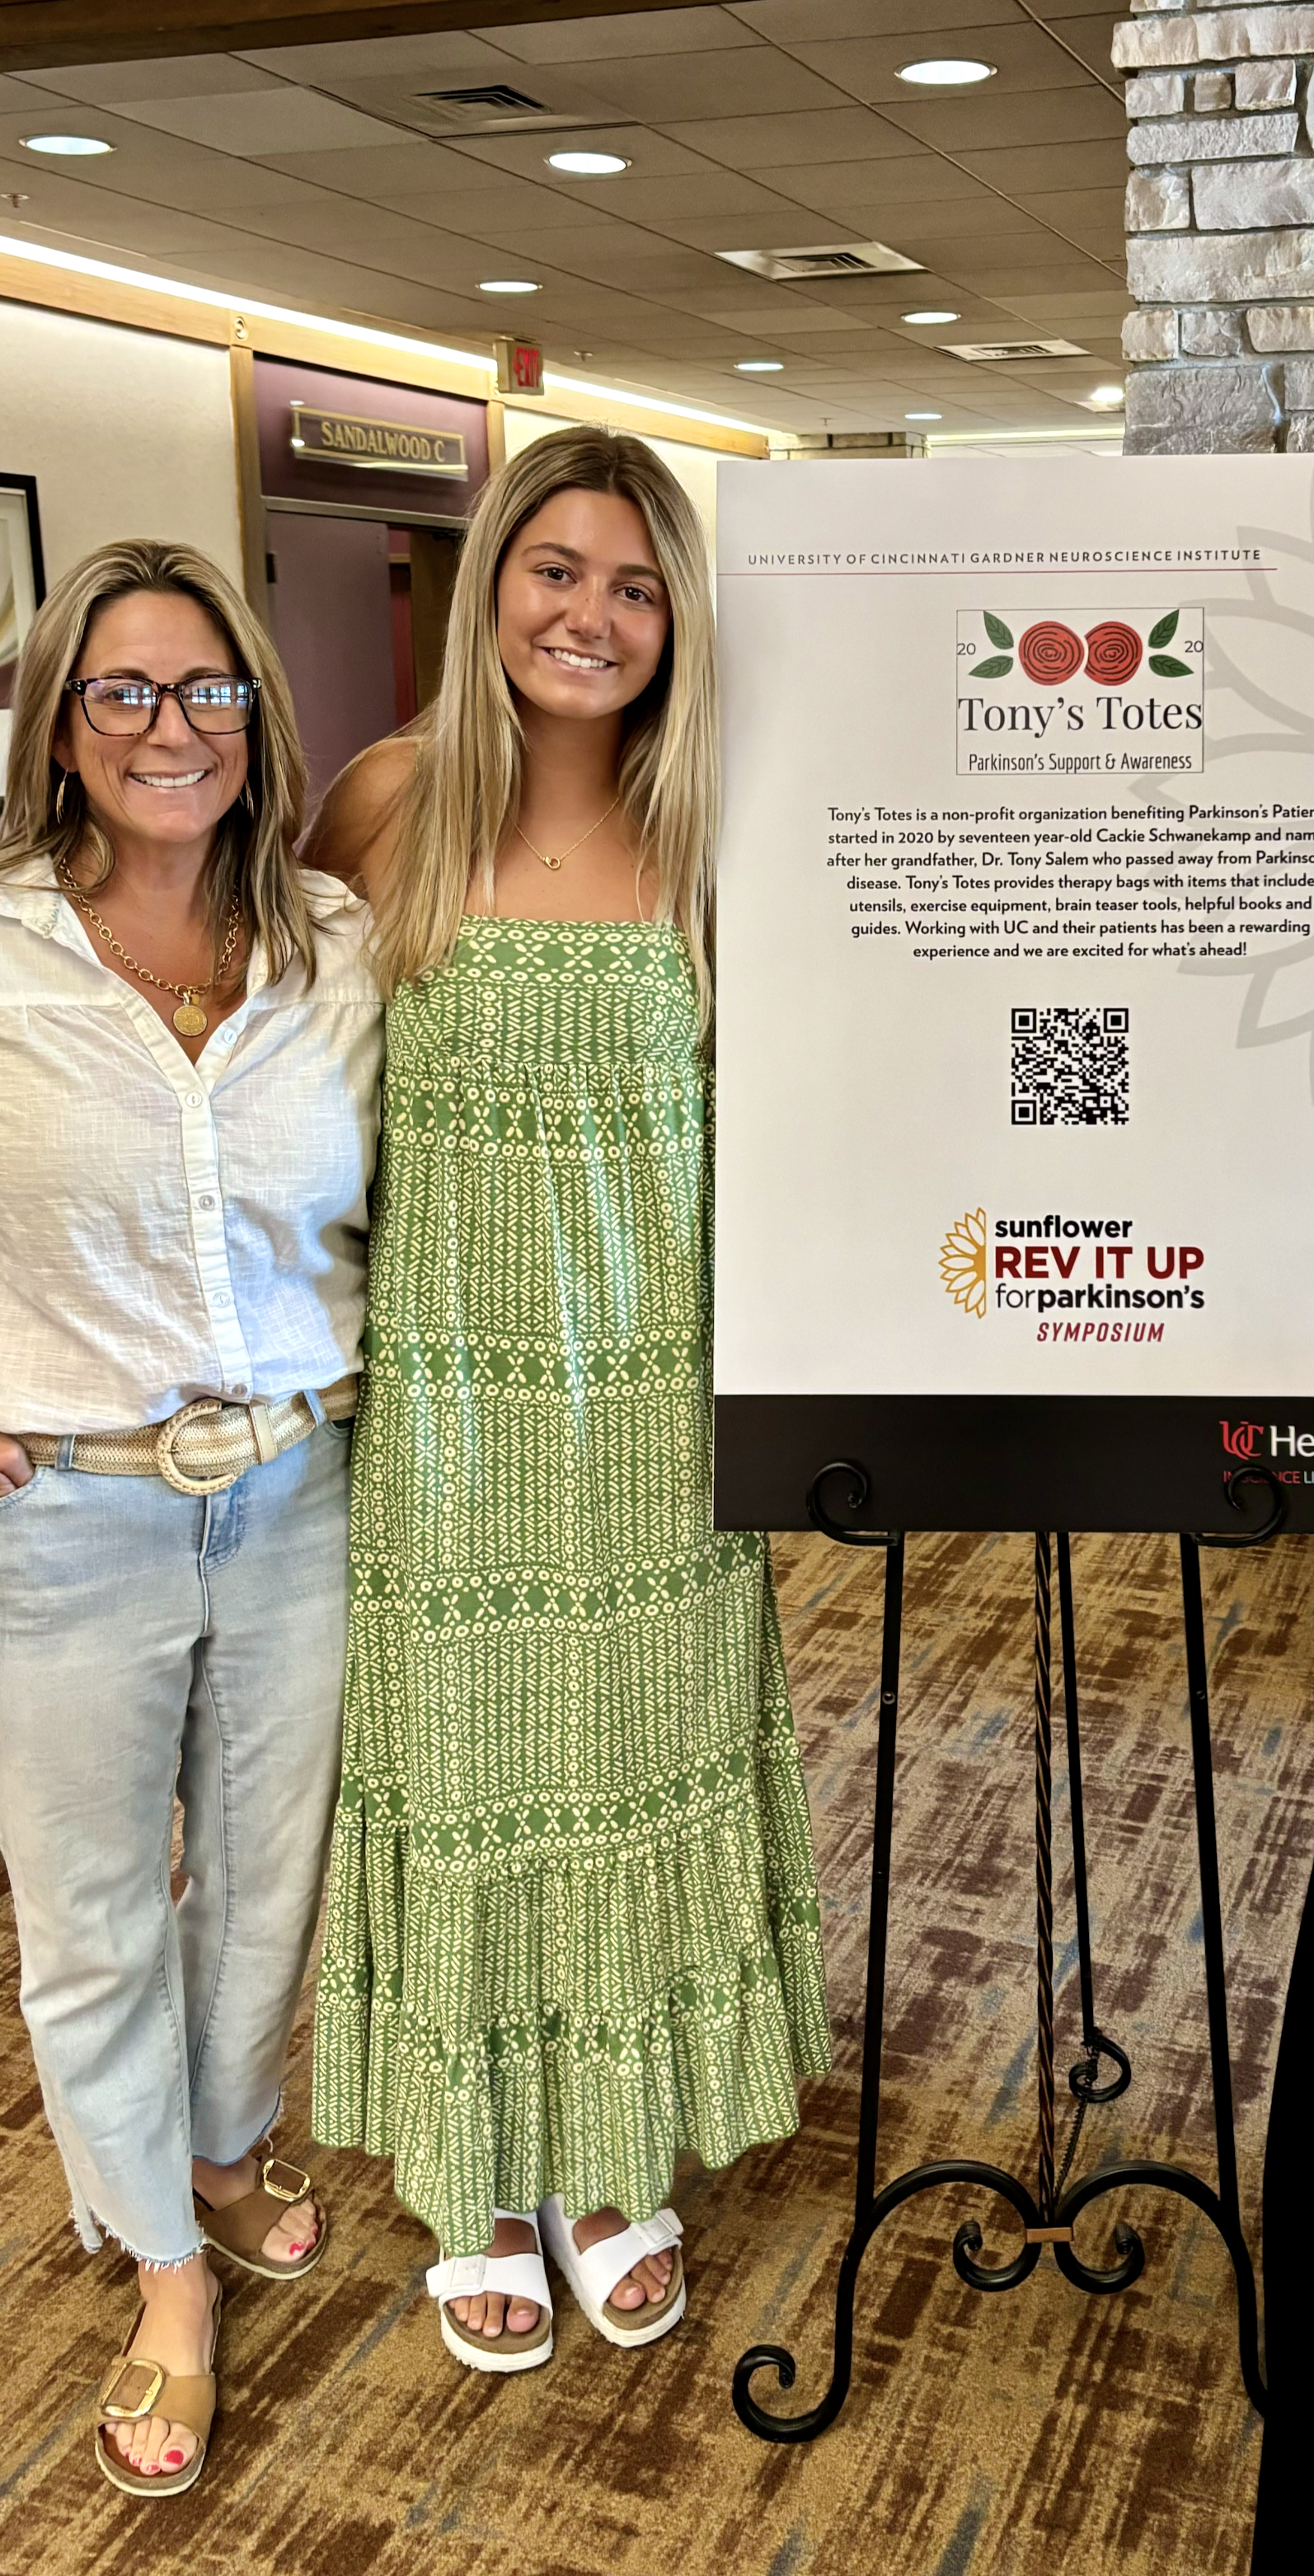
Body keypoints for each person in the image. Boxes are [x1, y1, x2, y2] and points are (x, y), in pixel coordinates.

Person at [309, 425, 829, 2373]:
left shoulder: (723, 834)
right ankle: (471, 2171)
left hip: (657, 1416)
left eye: (632, 583)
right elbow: (273, 1101)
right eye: (555, 569)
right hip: (442, 1416)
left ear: (677, 617)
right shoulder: (383, 806)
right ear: (489, 591)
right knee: (459, 1780)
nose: (591, 615)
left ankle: (605, 2164)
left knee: (628, 1766)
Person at [0, 539, 382, 2495]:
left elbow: (405, 1207)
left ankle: (225, 2154)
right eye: (126, 695)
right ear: (59, 729)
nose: (171, 728)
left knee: (261, 1883)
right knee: (87, 1920)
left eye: (207, 692)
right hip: (64, 1510)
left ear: (258, 719)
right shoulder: (1, 946)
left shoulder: (332, 941)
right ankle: (161, 2261)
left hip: (306, 1483)